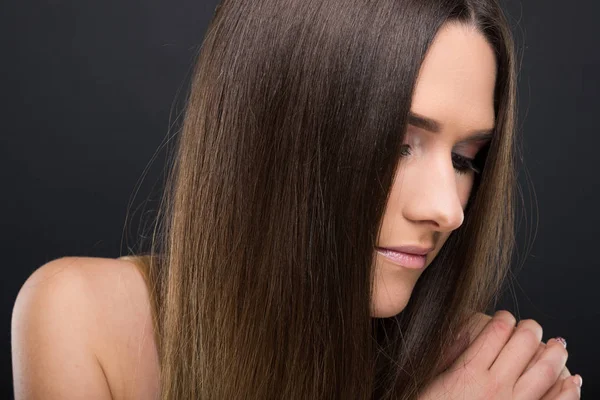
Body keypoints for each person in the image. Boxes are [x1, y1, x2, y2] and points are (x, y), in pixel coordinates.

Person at [11, 0, 583, 399]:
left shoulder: (482, 367)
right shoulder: (83, 319)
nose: (448, 210)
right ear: (276, 133)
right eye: (395, 145)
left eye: (465, 159)